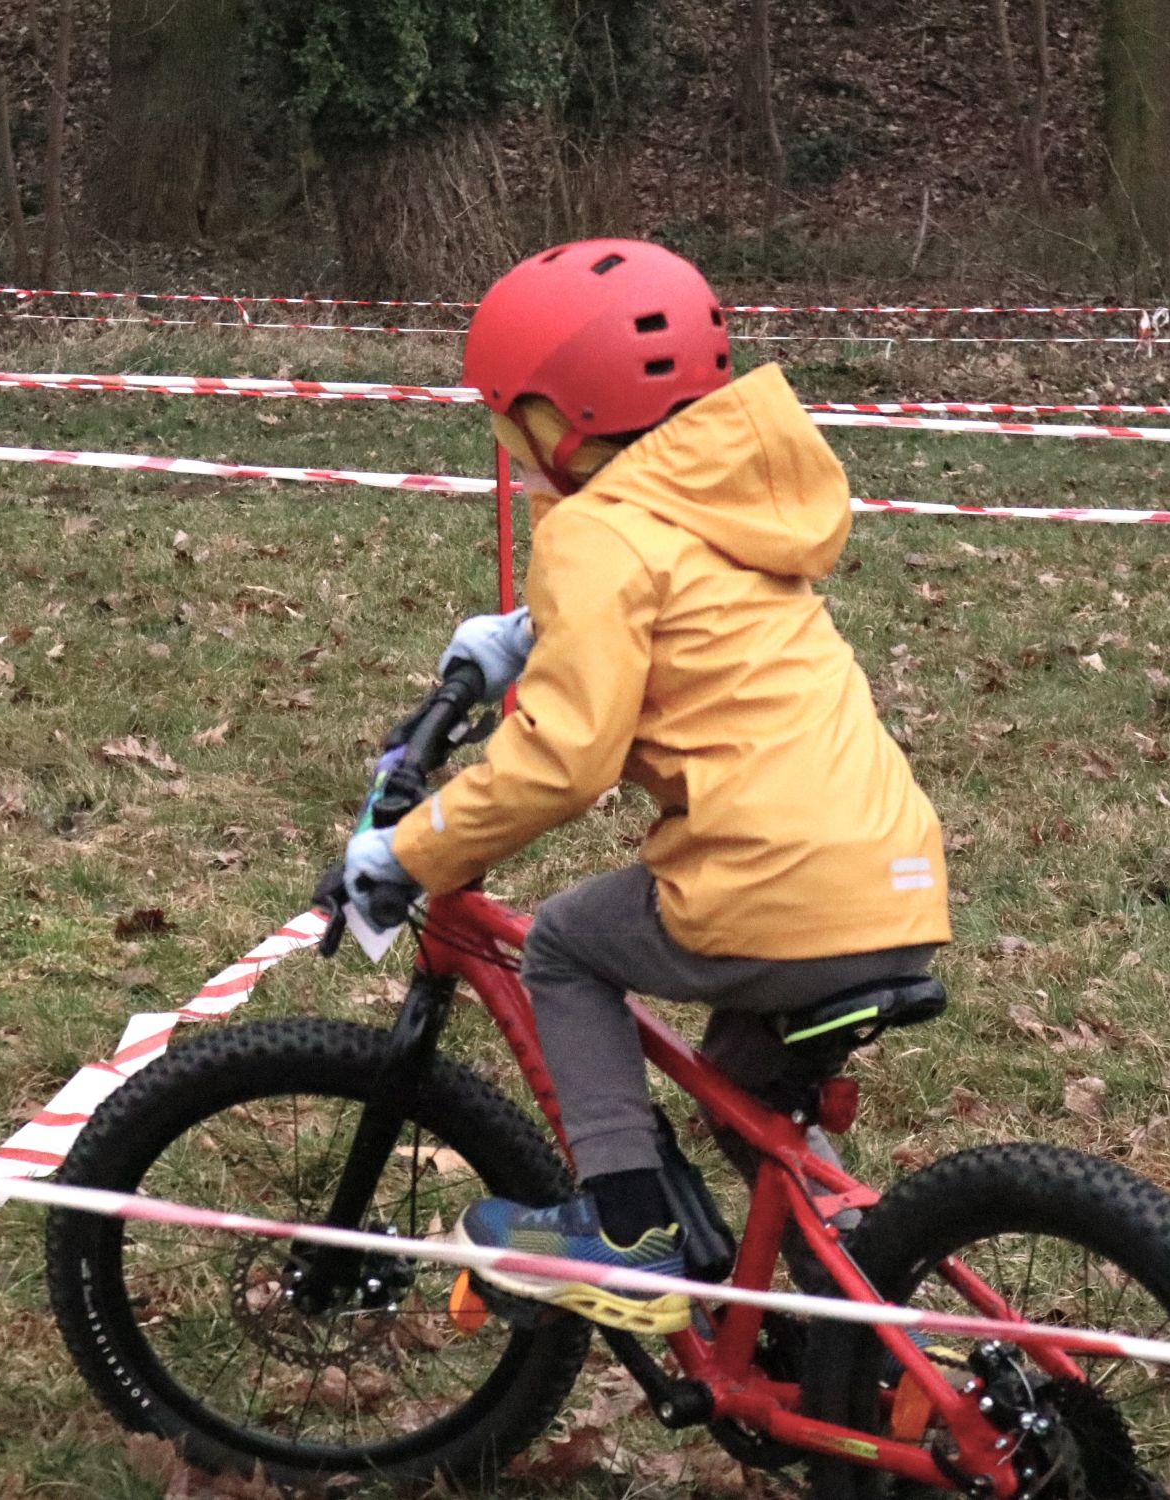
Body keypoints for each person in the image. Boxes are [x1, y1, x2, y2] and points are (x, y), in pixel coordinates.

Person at [342, 240, 951, 1334]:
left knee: (566, 946)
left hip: (772, 882)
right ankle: (855, 1322)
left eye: (512, 426)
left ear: (563, 423)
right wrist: (529, 633)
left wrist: (412, 851)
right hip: (890, 876)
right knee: (747, 1088)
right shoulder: (728, 498)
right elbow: (684, 605)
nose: (510, 453)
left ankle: (624, 1230)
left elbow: (562, 759)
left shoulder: (595, 531)